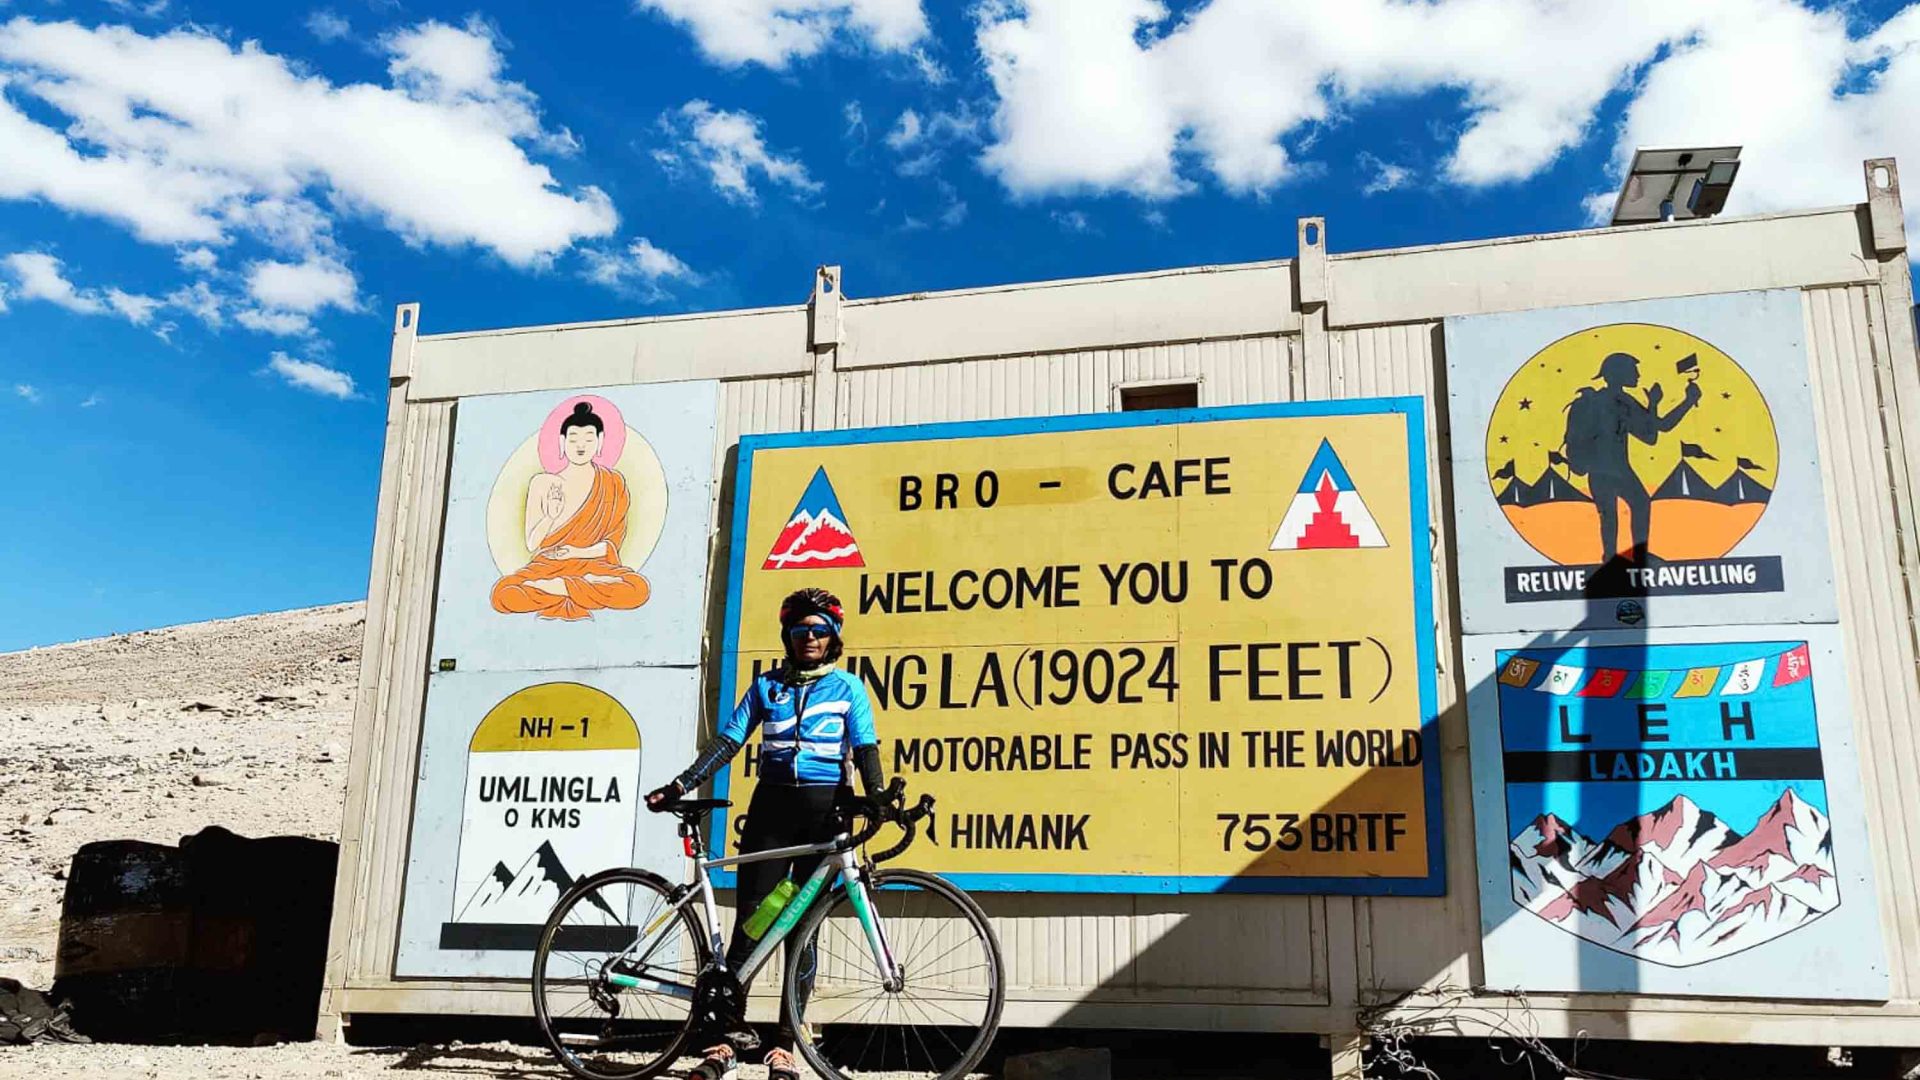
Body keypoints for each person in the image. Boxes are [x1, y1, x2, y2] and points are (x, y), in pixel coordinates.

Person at [646, 587, 884, 1080]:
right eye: (801, 631)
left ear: (833, 637)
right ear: (788, 636)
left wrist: (877, 794)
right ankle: (726, 1040)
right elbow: (728, 742)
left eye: (820, 631)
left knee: (802, 928)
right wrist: (681, 783)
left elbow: (864, 747)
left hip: (824, 813)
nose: (810, 639)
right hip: (771, 811)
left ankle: (785, 1044)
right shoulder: (766, 687)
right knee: (752, 923)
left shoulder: (848, 689)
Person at [490, 402, 652, 620]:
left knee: (638, 589)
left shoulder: (612, 483)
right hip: (548, 566)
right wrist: (550, 516)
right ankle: (572, 589)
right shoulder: (543, 483)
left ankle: (560, 588)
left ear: (600, 441)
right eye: (574, 439)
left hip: (593, 566)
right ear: (562, 441)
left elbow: (612, 544)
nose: (580, 446)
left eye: (588, 439)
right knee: (503, 594)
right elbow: (531, 543)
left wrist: (577, 553)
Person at [1560, 352, 1701, 564]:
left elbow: (1651, 436)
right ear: (1618, 373)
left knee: (1619, 512)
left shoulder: (1619, 400)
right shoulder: (1618, 401)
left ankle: (1622, 556)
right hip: (1609, 470)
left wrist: (1659, 404)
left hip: (1609, 471)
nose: (1637, 374)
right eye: (1633, 370)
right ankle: (1624, 557)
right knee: (1623, 510)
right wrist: (1686, 401)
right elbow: (1655, 431)